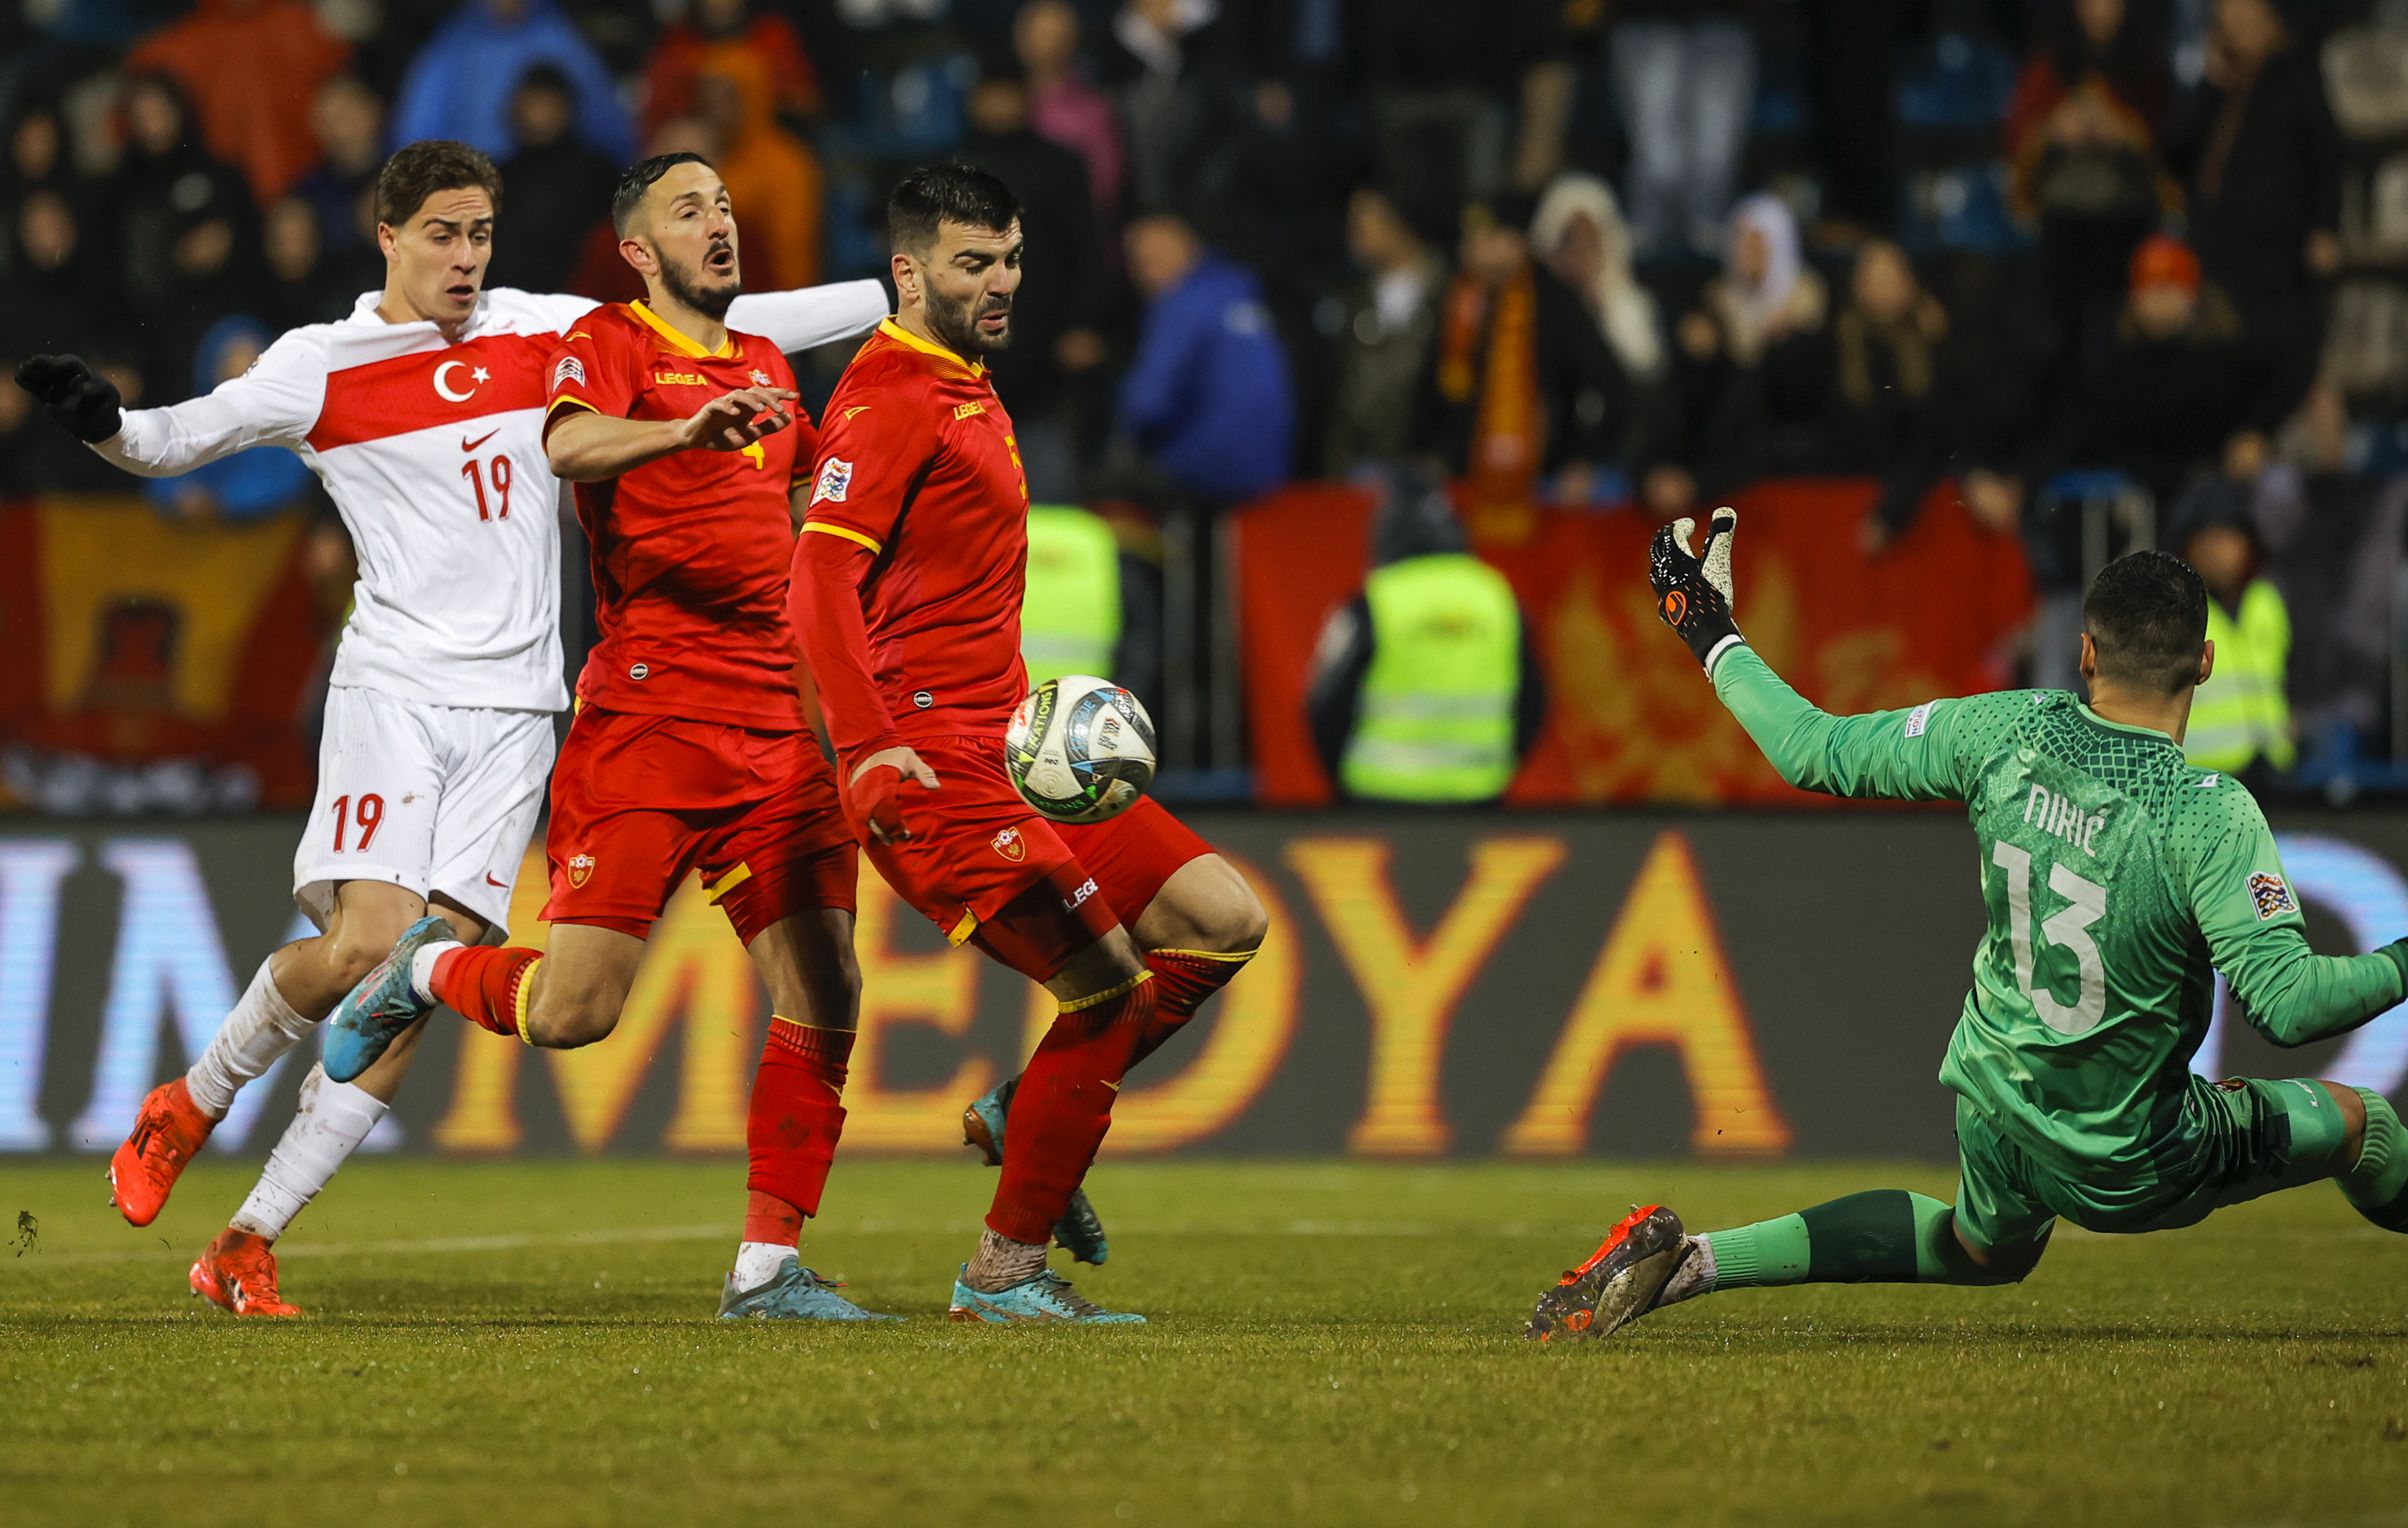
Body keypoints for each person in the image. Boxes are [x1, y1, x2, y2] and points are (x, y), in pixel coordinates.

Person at [14, 138, 886, 1317]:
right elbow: (183, 436)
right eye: (442, 236)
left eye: (479, 235)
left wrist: (898, 293)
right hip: (394, 690)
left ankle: (250, 1235)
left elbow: (726, 312)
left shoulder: (549, 330)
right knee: (365, 949)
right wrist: (104, 423)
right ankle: (191, 1099)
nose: (466, 259)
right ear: (386, 235)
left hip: (522, 705)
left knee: (423, 974)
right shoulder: (318, 365)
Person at [1527, 525, 2408, 1342]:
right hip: (2127, 1151)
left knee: (1985, 1246)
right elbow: (2290, 1006)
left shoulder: (2005, 729)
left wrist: (1708, 629)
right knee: (2360, 1122)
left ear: (2087, 650)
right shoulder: (2208, 815)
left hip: (1998, 1106)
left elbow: (1811, 749)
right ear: (2206, 663)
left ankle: (1695, 1262)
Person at [322, 152, 888, 1322]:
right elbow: (566, 445)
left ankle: (766, 1267)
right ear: (639, 248)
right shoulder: (611, 343)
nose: (719, 222)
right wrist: (686, 430)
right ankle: (420, 966)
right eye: (690, 210)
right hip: (650, 715)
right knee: (578, 1010)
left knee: (825, 981)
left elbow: (799, 522)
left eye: (726, 204)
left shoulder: (772, 365)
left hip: (774, 723)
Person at [788, 164, 1269, 1323]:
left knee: (1221, 918)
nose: (1000, 282)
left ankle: (1025, 1111)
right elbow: (815, 576)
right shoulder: (891, 394)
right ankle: (999, 1270)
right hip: (928, 765)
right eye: (971, 263)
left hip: (1009, 746)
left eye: (1007, 258)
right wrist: (864, 745)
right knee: (1104, 990)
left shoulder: (965, 379)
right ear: (907, 272)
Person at [1305, 464, 1545, 803]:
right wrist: (1498, 771)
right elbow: (1534, 702)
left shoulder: (1373, 602)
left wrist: (1342, 783)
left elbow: (1324, 705)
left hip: (1379, 801)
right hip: (1479, 800)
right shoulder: (1501, 600)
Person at [1424, 195, 1627, 507]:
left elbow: (1612, 384)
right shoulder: (1459, 300)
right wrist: (1434, 455)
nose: (1473, 251)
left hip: (1543, 480)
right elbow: (1436, 387)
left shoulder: (1554, 301)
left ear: (1517, 243)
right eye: (1471, 242)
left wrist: (1584, 461)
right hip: (1468, 478)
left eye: (1487, 240)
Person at [1114, 211, 1294, 505]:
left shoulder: (1182, 303)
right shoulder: (1239, 290)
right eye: (1136, 263)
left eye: (1149, 260)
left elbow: (1146, 404)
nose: (1143, 273)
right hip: (1273, 464)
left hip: (1208, 467)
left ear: (1187, 250)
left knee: (1107, 483)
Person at [125, 0, 351, 206]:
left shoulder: (303, 27)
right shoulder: (182, 44)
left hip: (309, 190)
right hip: (227, 200)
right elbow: (130, 110)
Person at [389, 0, 634, 166]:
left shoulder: (560, 38)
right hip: (467, 183)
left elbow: (607, 126)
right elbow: (417, 126)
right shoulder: (455, 42)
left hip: (548, 178)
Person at [2169, 481, 2295, 781]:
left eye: (2229, 538)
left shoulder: (2267, 600)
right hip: (2198, 780)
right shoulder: (2170, 609)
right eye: (2208, 540)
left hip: (2272, 771)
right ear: (2188, 546)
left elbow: (2288, 678)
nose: (2220, 551)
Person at [1325, 186, 1447, 475]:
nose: (1354, 228)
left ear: (1400, 221)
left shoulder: (1452, 297)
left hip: (1426, 469)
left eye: (1365, 216)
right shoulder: (1350, 301)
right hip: (1356, 466)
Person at [487, 64, 621, 296]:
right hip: (504, 305)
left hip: (577, 308)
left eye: (547, 104)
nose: (538, 113)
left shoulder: (598, 175)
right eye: (532, 103)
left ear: (567, 108)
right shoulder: (497, 175)